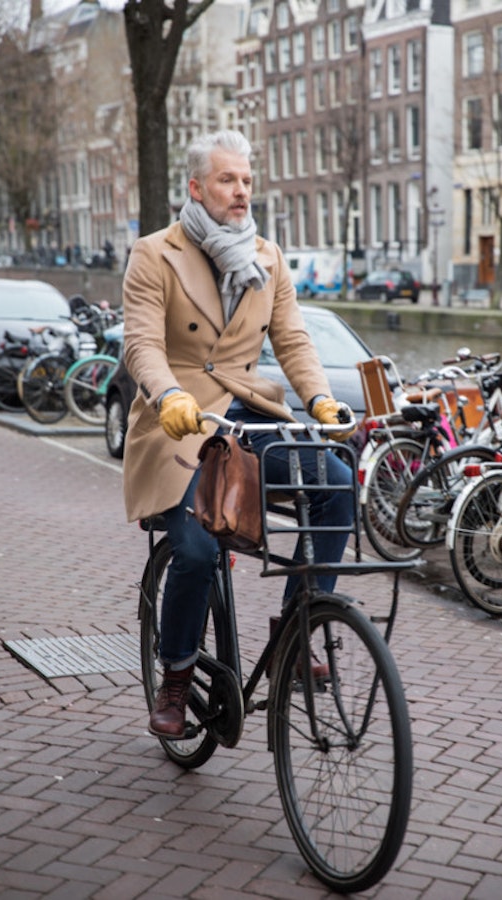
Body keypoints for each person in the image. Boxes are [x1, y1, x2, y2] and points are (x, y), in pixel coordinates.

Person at [122, 129, 357, 739]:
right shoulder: (155, 253)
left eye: (247, 181)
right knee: (198, 548)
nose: (241, 192)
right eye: (228, 180)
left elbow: (293, 340)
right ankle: (175, 676)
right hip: (176, 421)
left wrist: (321, 399)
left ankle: (294, 629)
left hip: (245, 415)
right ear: (197, 188)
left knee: (336, 481)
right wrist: (166, 392)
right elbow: (142, 344)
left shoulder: (268, 258)